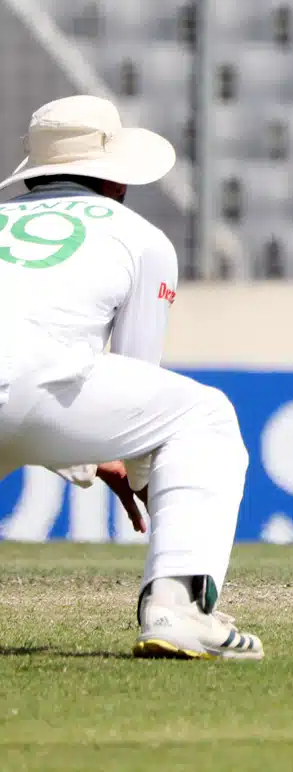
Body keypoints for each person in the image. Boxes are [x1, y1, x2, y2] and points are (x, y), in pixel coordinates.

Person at [0, 95, 261, 658]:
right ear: (117, 180)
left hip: (25, 386)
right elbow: (134, 380)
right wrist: (126, 460)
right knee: (204, 416)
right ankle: (177, 609)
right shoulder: (139, 236)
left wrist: (87, 452)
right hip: (34, 386)